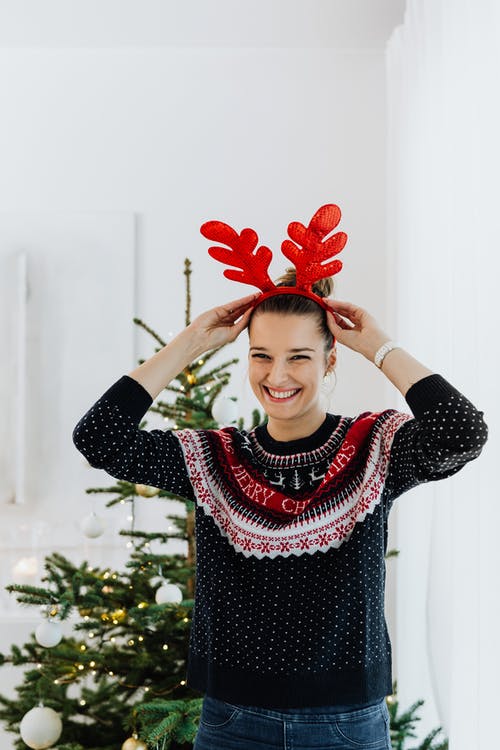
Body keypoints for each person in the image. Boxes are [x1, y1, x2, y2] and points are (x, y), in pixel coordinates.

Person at [73, 214, 488, 750]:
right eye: (261, 356)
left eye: (299, 357)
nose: (277, 376)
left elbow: (462, 431)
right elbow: (99, 437)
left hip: (345, 725)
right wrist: (191, 342)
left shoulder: (375, 447)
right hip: (231, 724)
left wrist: (379, 345)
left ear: (330, 357)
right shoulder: (215, 458)